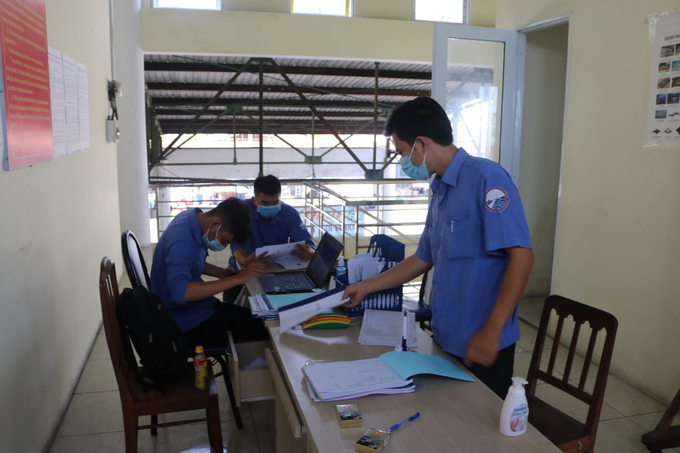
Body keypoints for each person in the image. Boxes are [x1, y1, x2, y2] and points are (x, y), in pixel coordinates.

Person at [343, 97, 534, 399]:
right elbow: (423, 258)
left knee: (480, 430)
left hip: (483, 339)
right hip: (447, 335)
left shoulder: (487, 178)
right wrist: (367, 286)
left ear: (421, 143)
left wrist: (492, 329)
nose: (403, 161)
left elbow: (522, 257)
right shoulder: (439, 189)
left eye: (402, 152)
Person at [150, 197, 269, 347]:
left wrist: (220, 272)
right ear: (214, 224)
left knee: (261, 320)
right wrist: (238, 278)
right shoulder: (181, 241)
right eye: (225, 240)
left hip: (199, 307)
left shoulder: (192, 218)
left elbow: (189, 261)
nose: (224, 246)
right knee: (263, 331)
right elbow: (181, 293)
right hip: (182, 321)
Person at [229, 174, 316, 270]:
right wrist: (245, 260)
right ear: (254, 200)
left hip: (278, 267)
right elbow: (236, 244)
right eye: (265, 203)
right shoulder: (242, 212)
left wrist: (311, 253)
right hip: (245, 265)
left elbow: (307, 243)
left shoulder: (289, 214)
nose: (270, 207)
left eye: (275, 203)